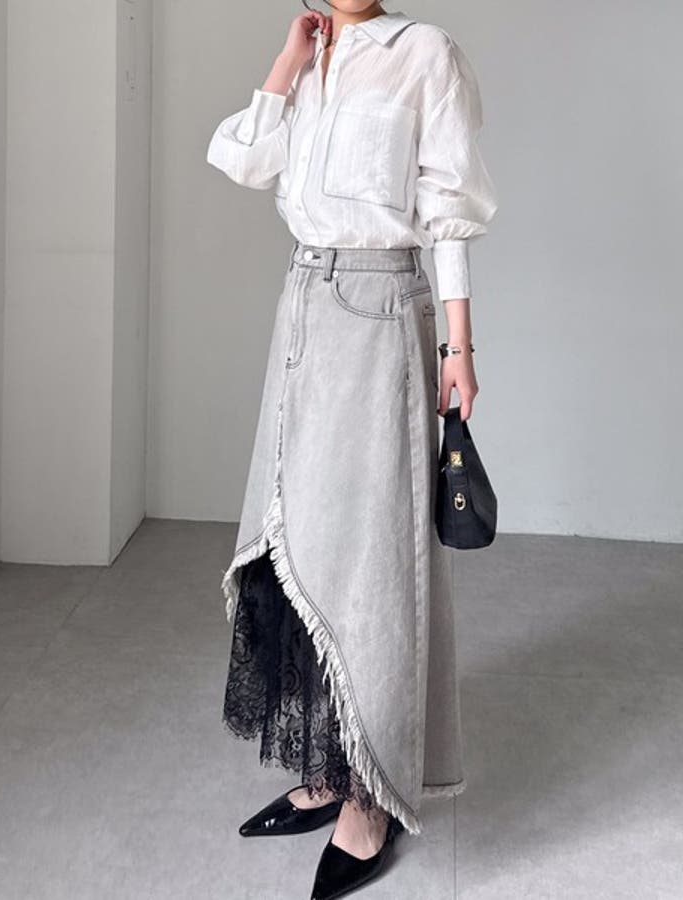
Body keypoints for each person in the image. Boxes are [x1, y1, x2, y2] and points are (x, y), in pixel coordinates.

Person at [206, 3, 497, 897]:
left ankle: (371, 797)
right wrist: (287, 63)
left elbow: (448, 208)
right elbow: (242, 158)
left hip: (379, 314)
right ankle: (329, 768)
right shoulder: (311, 57)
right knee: (295, 543)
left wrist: (457, 347)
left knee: (373, 559)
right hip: (302, 308)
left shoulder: (425, 54)